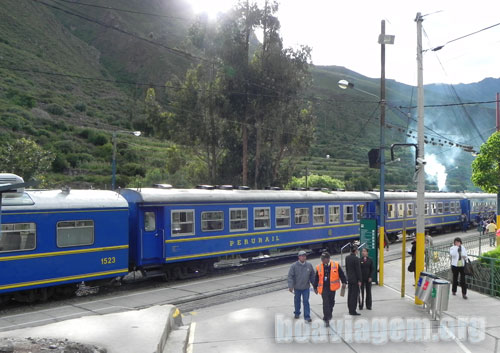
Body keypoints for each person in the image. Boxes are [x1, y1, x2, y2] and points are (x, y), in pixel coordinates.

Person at [313, 252, 347, 327]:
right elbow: (316, 278)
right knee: (325, 303)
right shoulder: (319, 267)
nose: (322, 261)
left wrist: (344, 282)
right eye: (322, 259)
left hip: (332, 288)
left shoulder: (336, 265)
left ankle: (329, 314)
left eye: (324, 259)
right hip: (323, 288)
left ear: (328, 259)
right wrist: (315, 287)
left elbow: (341, 274)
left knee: (331, 302)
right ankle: (327, 319)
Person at [287, 250, 315, 322]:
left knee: (306, 301)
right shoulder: (294, 266)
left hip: (306, 287)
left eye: (304, 256)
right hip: (297, 287)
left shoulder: (309, 265)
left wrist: (315, 285)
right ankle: (297, 313)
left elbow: (312, 276)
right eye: (302, 256)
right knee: (297, 301)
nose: (303, 257)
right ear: (298, 257)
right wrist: (290, 286)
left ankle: (307, 316)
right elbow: (290, 276)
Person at [345, 244, 362, 316]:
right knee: (354, 295)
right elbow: (358, 270)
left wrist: (348, 277)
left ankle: (349, 309)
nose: (358, 251)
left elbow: (347, 268)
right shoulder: (356, 259)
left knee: (350, 294)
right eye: (357, 250)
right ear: (355, 251)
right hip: (355, 279)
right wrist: (360, 280)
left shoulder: (347, 258)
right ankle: (353, 310)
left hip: (350, 278)